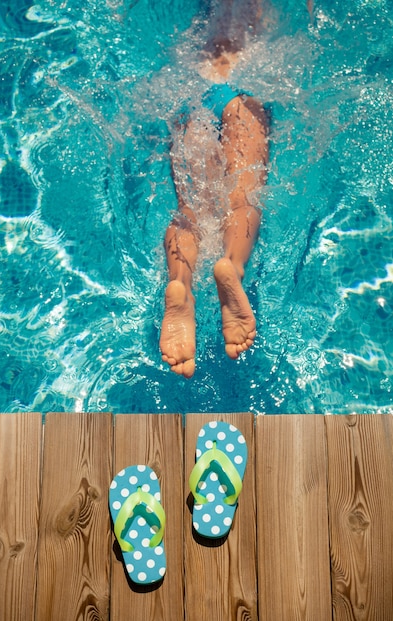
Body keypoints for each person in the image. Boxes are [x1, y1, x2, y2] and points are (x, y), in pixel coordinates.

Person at [159, 3, 269, 379]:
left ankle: (181, 283)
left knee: (188, 212)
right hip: (244, 94)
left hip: (193, 94)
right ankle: (231, 267)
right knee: (242, 196)